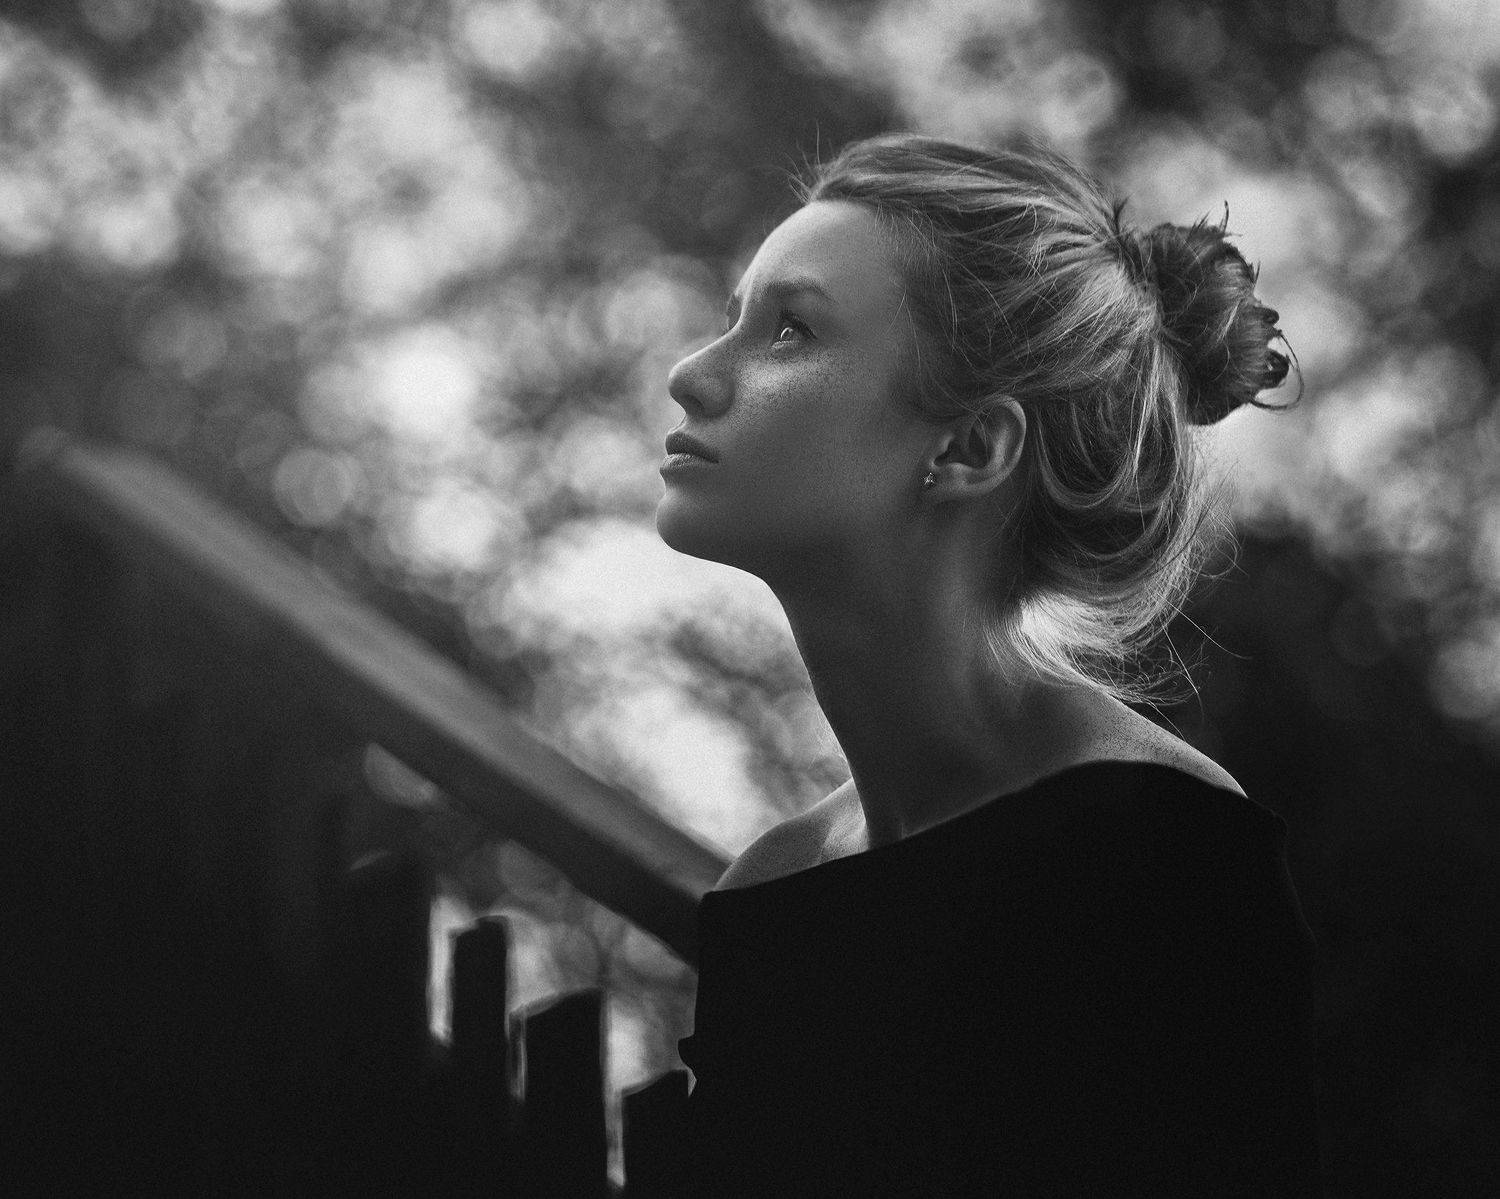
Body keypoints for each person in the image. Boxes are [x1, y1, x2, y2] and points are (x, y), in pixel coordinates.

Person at [654, 133, 1321, 1196]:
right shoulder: (771, 887)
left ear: (969, 448)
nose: (690, 374)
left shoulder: (1156, 861)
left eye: (789, 329)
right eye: (738, 319)